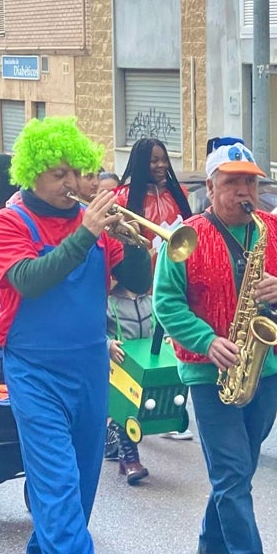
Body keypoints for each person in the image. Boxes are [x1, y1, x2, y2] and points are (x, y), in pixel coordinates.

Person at [0, 117, 152, 554]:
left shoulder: (94, 223)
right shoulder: (7, 225)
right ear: (33, 173)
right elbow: (32, 280)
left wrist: (143, 238)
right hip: (33, 367)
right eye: (57, 173)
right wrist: (87, 235)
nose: (68, 182)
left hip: (89, 363)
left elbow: (137, 281)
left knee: (78, 487)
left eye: (73, 172)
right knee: (56, 484)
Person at [153, 141, 277, 554]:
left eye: (250, 182)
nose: (244, 191)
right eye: (232, 182)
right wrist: (208, 341)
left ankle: (210, 543)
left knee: (239, 468)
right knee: (232, 471)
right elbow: (166, 303)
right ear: (210, 187)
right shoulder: (184, 237)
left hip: (266, 365)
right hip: (209, 371)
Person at [116, 137, 195, 440]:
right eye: (153, 160)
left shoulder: (181, 194)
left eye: (164, 159)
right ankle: (130, 419)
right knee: (141, 357)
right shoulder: (122, 198)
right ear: (139, 163)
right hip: (139, 290)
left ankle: (169, 413)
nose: (161, 165)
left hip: (174, 284)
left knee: (173, 352)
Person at [105, 281, 151, 484]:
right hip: (121, 363)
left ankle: (121, 451)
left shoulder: (149, 300)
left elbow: (159, 321)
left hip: (145, 361)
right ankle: (131, 461)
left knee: (139, 409)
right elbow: (95, 328)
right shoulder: (109, 302)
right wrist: (108, 344)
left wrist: (167, 337)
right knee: (126, 409)